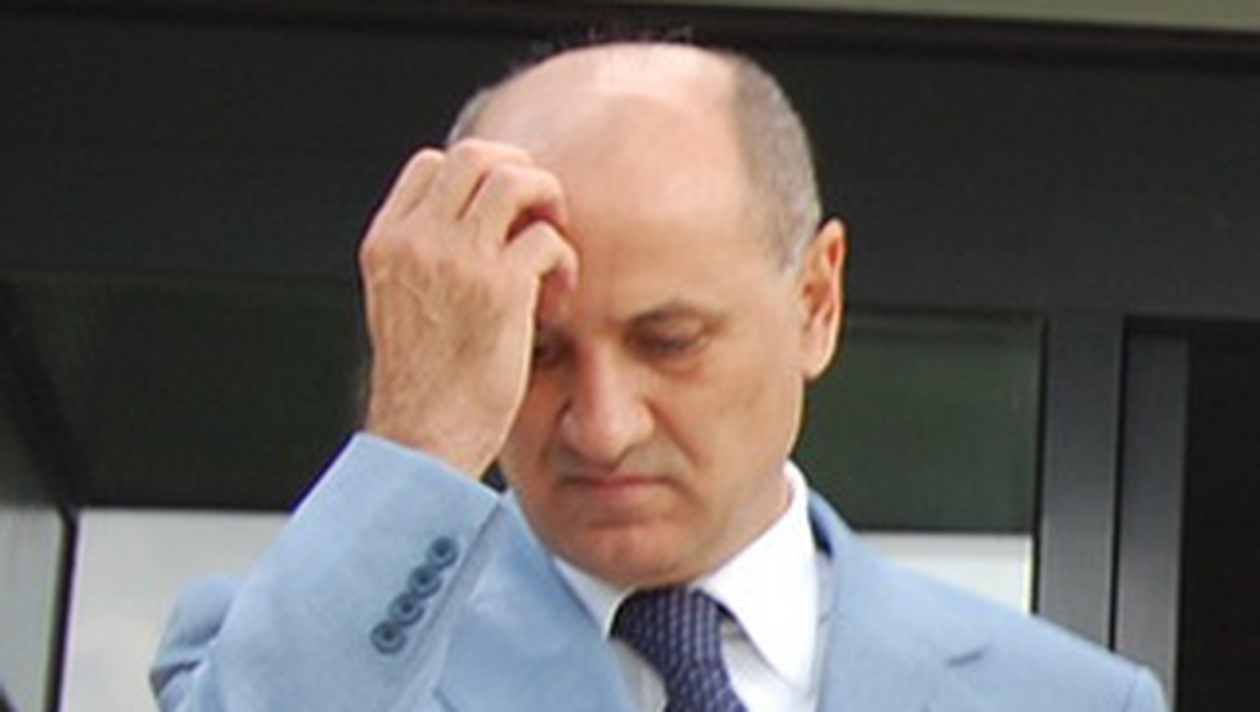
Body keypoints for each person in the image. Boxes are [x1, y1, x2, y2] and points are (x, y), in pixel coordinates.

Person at [151, 39, 1166, 711]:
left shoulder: (1069, 701)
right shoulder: (305, 652)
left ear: (817, 302)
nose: (602, 426)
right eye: (535, 350)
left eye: (670, 341)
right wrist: (418, 436)